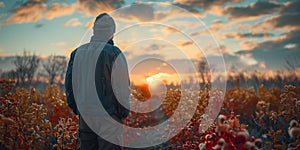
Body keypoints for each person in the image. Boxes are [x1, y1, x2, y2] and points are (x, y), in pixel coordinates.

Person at [65, 13, 130, 150]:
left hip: (86, 116)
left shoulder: (77, 53)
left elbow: (70, 85)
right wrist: (122, 113)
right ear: (112, 33)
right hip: (109, 117)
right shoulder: (114, 53)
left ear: (94, 31)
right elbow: (122, 87)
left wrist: (77, 108)